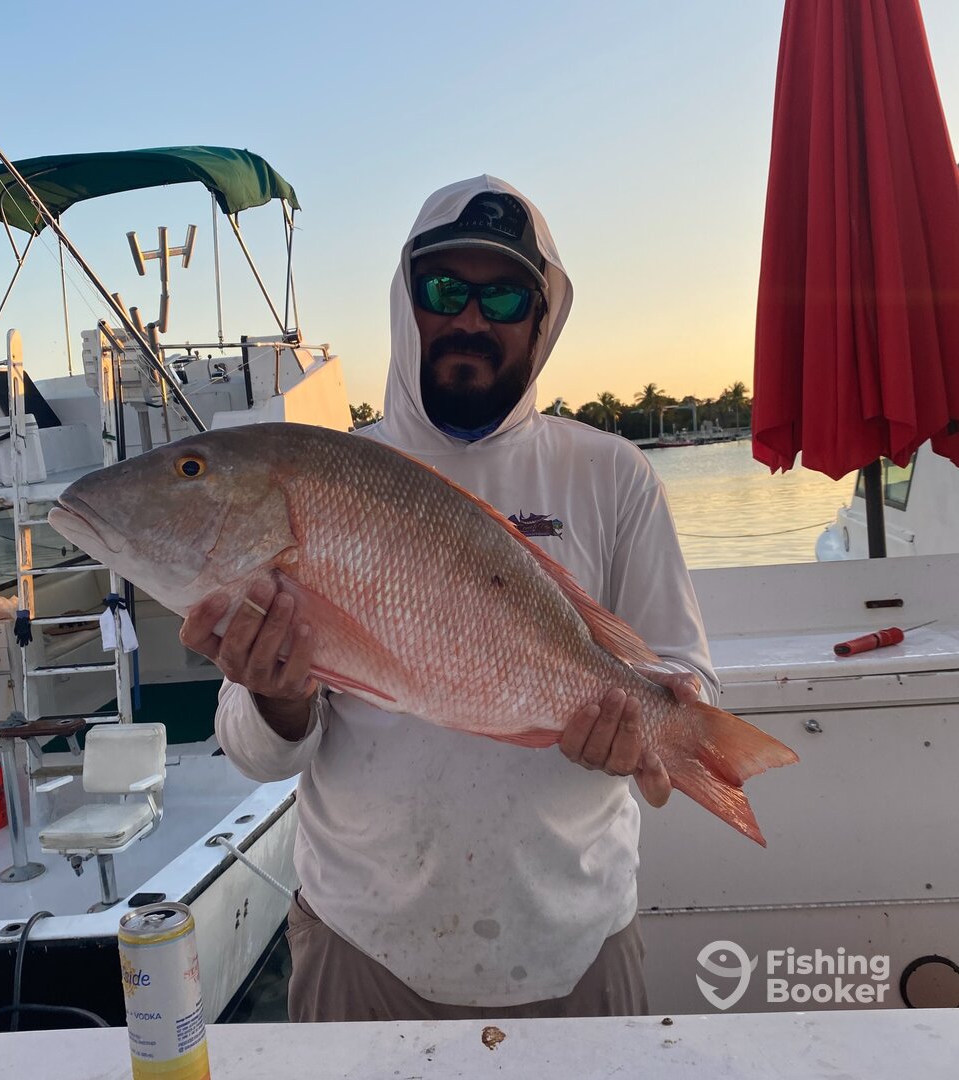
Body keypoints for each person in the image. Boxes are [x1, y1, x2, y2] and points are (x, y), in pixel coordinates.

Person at [180, 177, 718, 1021]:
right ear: (408, 304)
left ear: (541, 320)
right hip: (363, 944)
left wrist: (647, 731)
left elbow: (688, 680)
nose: (471, 318)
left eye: (503, 297)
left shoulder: (612, 475)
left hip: (579, 939)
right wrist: (275, 699)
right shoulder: (322, 476)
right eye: (444, 290)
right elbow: (257, 756)